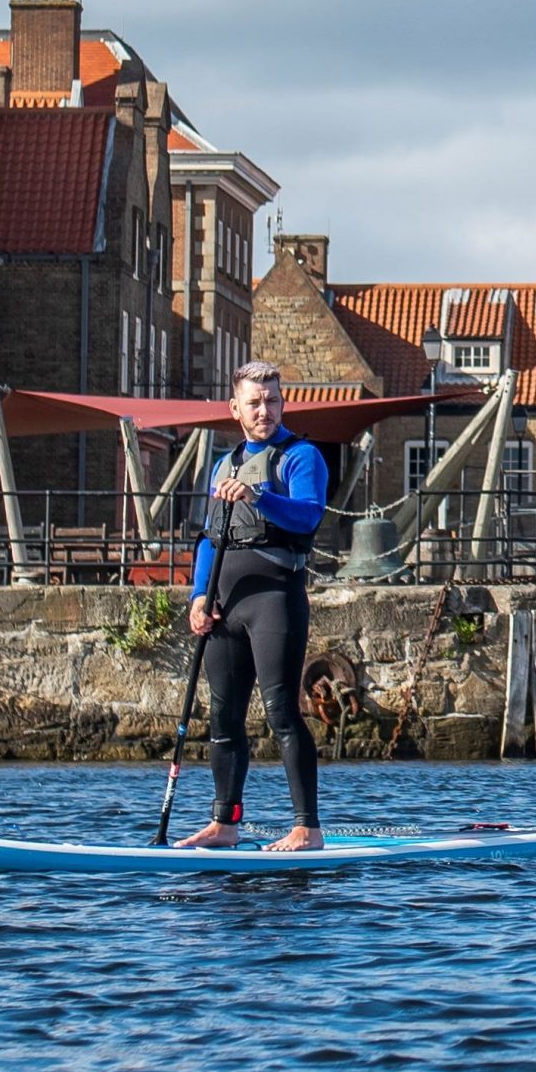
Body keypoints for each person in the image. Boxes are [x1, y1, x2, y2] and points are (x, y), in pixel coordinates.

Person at [173, 361, 336, 851]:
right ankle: (225, 823)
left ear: (282, 403)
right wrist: (199, 595)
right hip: (225, 602)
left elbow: (307, 517)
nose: (264, 411)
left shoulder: (301, 456)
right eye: (254, 402)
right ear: (235, 408)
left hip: (274, 597)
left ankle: (307, 827)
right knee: (223, 717)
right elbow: (209, 538)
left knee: (281, 711)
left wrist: (259, 496)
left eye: (272, 401)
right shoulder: (223, 466)